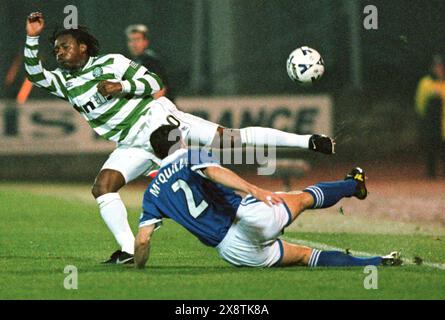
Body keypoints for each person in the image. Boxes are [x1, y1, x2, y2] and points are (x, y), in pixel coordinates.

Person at [24, 12, 335, 264]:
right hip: (131, 144)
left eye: (64, 47)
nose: (59, 53)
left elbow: (153, 82)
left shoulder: (113, 63)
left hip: (159, 121)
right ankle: (129, 251)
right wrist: (32, 37)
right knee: (103, 187)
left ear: (83, 48)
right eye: (55, 50)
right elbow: (34, 74)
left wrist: (122, 87)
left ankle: (307, 141)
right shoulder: (63, 82)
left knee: (229, 140)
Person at [134, 124, 402, 269]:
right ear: (180, 141)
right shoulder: (191, 155)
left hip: (232, 251)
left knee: (304, 256)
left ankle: (379, 262)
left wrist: (139, 267)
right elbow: (214, 172)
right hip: (247, 217)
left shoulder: (151, 195)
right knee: (304, 198)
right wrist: (254, 190)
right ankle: (353, 186)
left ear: (159, 154)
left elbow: (143, 241)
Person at [415, 54, 445, 178]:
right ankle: (431, 174)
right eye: (436, 66)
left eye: (441, 66)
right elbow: (420, 103)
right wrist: (424, 119)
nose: (439, 69)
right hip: (432, 121)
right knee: (431, 146)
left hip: (443, 121)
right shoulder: (426, 82)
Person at [125, 24, 173, 101]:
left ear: (145, 42)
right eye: (131, 40)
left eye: (137, 39)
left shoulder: (153, 62)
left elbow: (160, 90)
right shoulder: (126, 61)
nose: (134, 44)